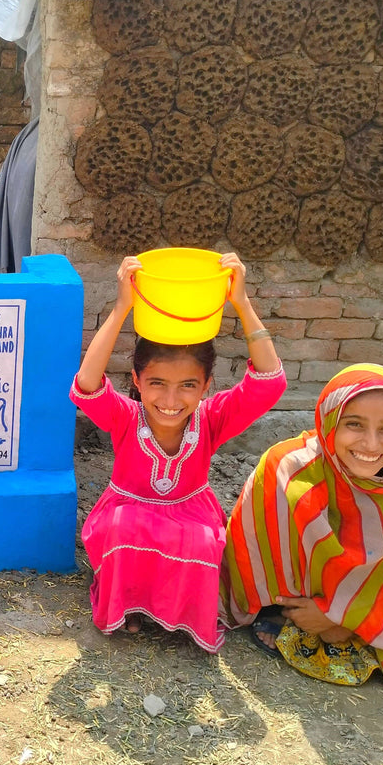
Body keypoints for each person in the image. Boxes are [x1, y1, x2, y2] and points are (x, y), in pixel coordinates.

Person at [70, 253, 286, 652]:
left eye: (188, 385)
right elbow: (86, 384)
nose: (170, 400)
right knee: (123, 529)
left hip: (191, 509)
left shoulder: (214, 418)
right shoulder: (124, 417)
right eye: (156, 383)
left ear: (206, 386)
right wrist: (122, 308)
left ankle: (179, 612)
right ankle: (129, 604)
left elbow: (269, 383)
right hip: (127, 508)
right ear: (136, 379)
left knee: (200, 541)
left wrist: (242, 303)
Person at [222, 364, 383, 717]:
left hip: (359, 606)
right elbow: (257, 544)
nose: (371, 444)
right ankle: (289, 614)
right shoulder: (289, 467)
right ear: (330, 422)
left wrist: (337, 617)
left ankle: (349, 621)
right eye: (354, 424)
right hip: (295, 593)